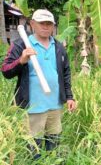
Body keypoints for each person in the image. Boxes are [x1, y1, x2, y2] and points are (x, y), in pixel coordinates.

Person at [1, 9, 76, 159]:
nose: (46, 26)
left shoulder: (59, 47)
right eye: (42, 23)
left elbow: (66, 74)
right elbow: (5, 70)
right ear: (32, 24)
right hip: (33, 108)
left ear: (53, 26)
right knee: (33, 148)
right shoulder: (22, 44)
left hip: (55, 106)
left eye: (49, 23)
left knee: (54, 143)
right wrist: (21, 61)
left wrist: (69, 97)